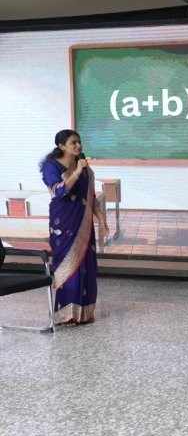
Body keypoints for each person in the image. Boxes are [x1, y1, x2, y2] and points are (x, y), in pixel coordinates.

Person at [39, 129, 108, 325]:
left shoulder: (83, 165)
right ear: (61, 146)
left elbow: (90, 196)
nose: (78, 145)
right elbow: (58, 192)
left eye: (79, 142)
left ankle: (84, 313)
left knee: (87, 265)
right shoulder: (51, 166)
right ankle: (66, 314)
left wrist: (101, 218)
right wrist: (77, 172)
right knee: (67, 264)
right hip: (64, 221)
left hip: (83, 221)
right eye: (73, 143)